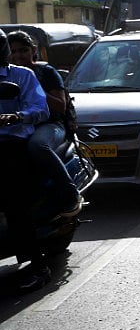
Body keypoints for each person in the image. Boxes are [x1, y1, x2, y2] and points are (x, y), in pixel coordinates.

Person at [0, 28, 55, 291]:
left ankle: (39, 266)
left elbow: (40, 107)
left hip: (11, 142)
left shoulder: (22, 75)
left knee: (14, 203)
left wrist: (17, 116)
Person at [6, 30, 83, 216]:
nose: (18, 56)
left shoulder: (45, 72)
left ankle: (69, 192)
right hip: (18, 125)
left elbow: (60, 106)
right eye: (13, 51)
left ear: (34, 50)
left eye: (23, 50)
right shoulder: (7, 75)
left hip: (49, 125)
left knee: (37, 145)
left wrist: (33, 86)